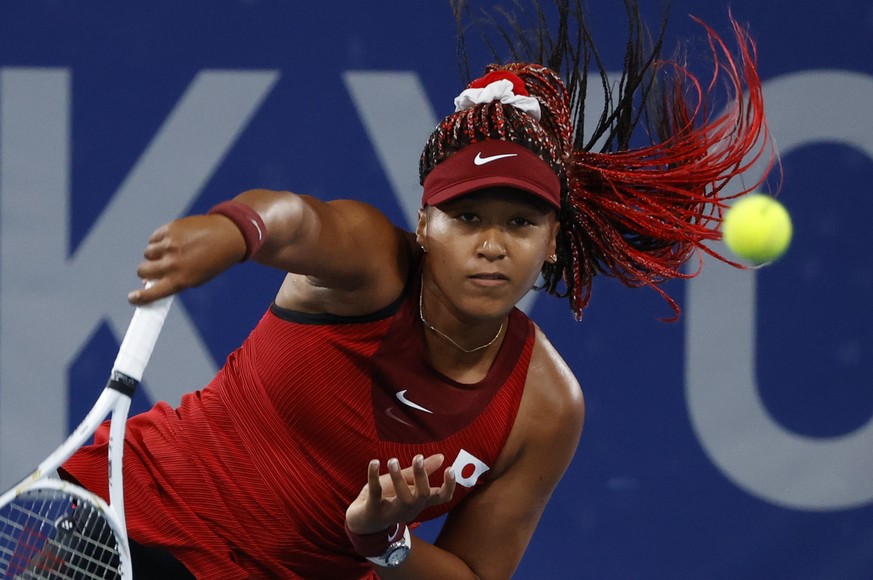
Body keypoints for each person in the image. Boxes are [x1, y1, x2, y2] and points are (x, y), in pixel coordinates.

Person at [60, 1, 773, 578]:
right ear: (425, 223)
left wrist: (380, 540)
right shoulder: (372, 261)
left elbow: (470, 574)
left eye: (520, 222)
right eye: (466, 218)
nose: (491, 244)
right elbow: (297, 220)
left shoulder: (544, 408)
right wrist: (234, 230)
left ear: (551, 240)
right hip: (128, 519)